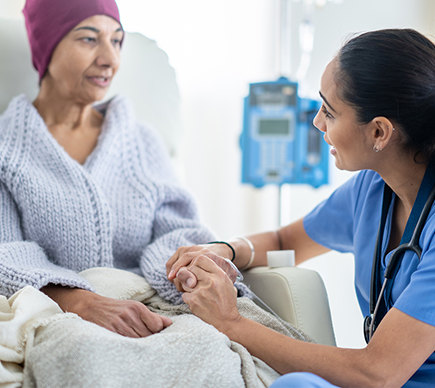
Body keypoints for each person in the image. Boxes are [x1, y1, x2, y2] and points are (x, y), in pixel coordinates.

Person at [167, 29, 435, 387]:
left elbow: (378, 373)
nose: (317, 123)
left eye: (330, 112)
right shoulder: (371, 190)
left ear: (379, 133)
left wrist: (230, 322)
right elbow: (283, 240)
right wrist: (224, 251)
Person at [0, 0, 251, 339]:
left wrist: (189, 270)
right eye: (89, 39)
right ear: (47, 45)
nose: (110, 59)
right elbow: (7, 253)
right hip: (63, 317)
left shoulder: (140, 141)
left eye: (116, 41)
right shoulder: (6, 149)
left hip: (155, 308)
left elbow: (175, 231)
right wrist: (83, 303)